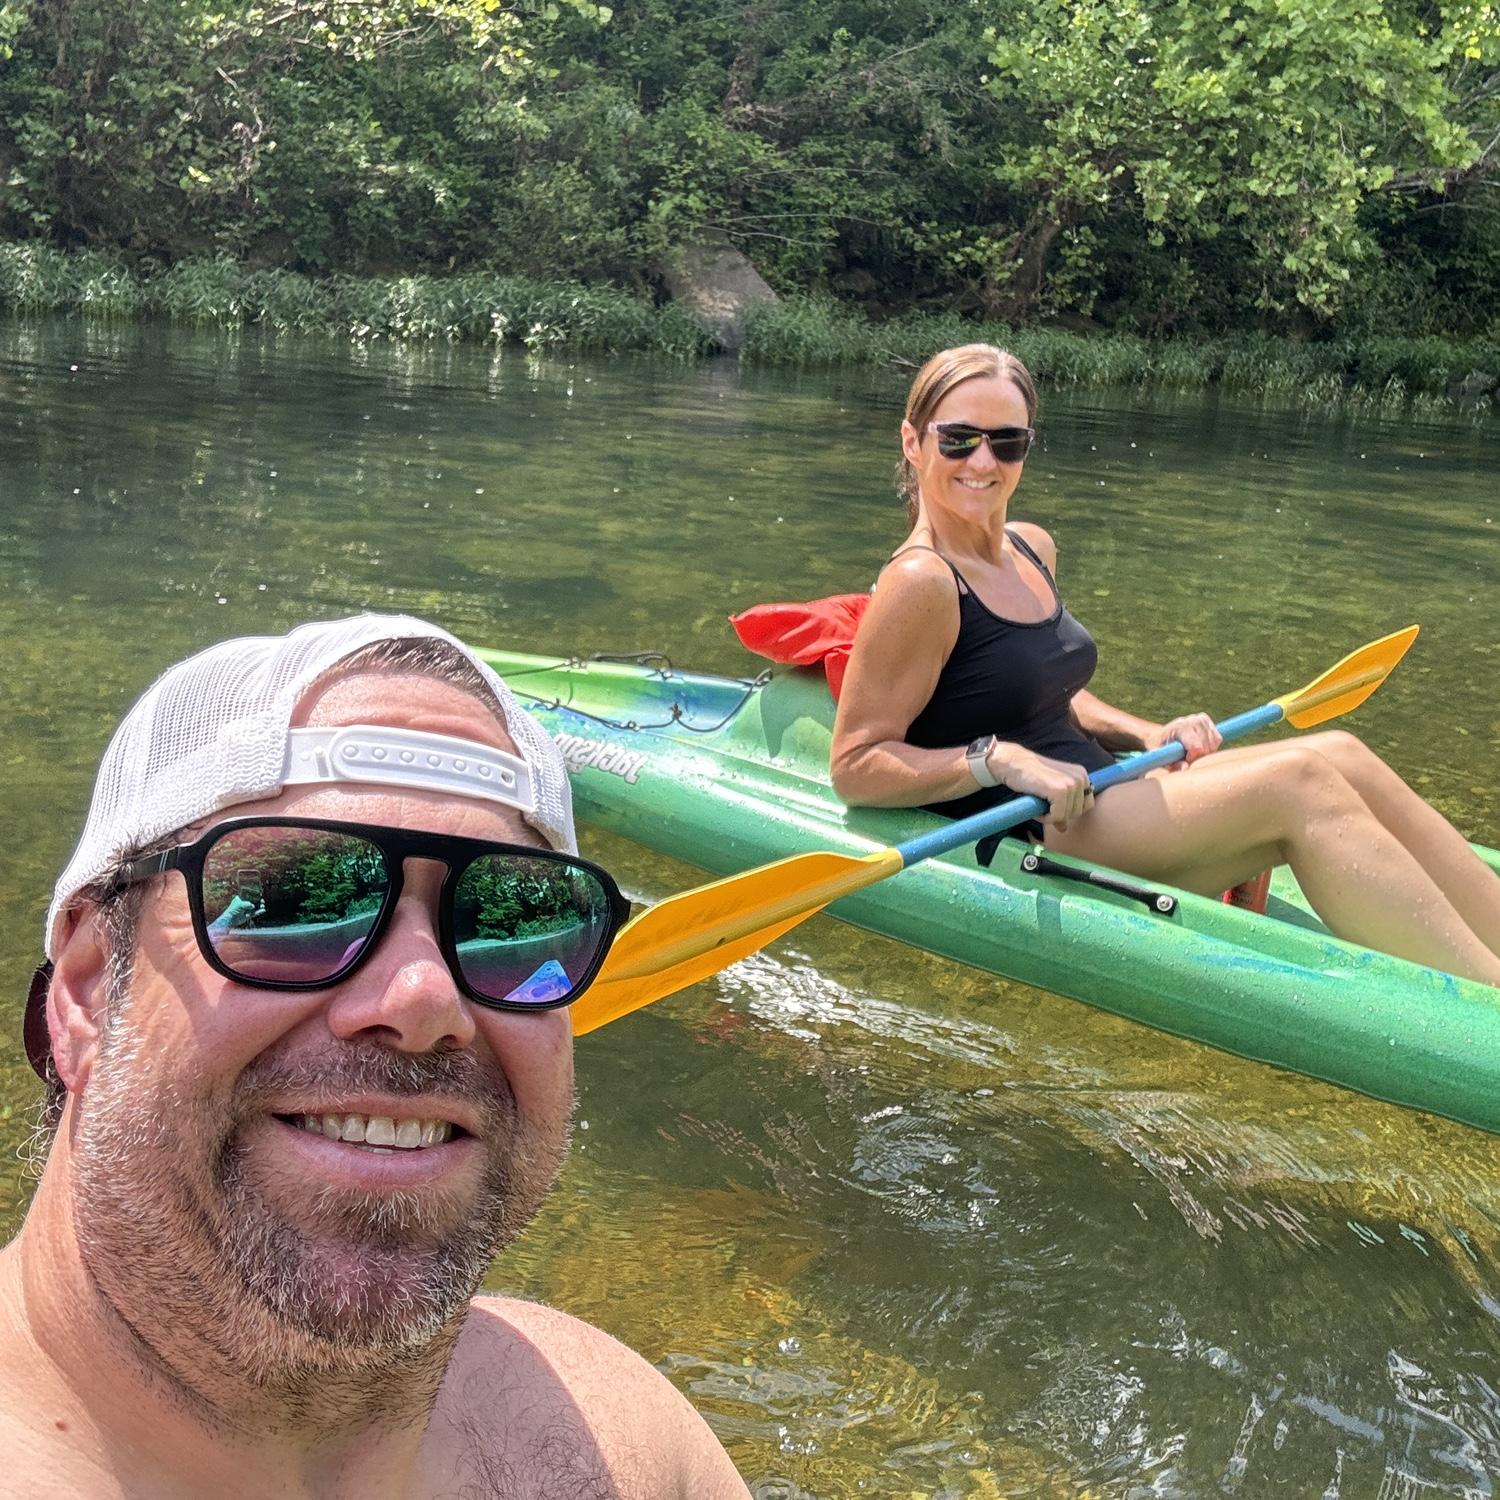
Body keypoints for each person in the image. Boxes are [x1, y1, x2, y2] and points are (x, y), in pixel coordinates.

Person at [2, 614, 751, 1499]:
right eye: (284, 898)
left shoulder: (620, 1447)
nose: (428, 1001)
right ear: (87, 988)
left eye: (510, 918)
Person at [830, 343, 1500, 988]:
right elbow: (855, 765)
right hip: (1051, 820)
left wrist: (1146, 732)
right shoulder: (921, 582)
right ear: (913, 443)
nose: (984, 459)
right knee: (1300, 780)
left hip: (1106, 777)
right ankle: (1487, 991)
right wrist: (994, 759)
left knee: (1340, 751)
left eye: (1007, 441)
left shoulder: (1030, 547)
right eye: (959, 438)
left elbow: (1040, 686)